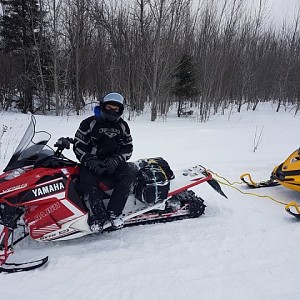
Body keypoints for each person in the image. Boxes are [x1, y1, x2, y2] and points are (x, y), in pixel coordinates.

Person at [73, 92, 137, 232]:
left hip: (114, 162)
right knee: (87, 181)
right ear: (103, 106)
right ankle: (98, 216)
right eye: (109, 107)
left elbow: (128, 147)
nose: (112, 111)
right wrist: (89, 160)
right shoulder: (89, 123)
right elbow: (79, 144)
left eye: (116, 109)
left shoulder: (123, 126)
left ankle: (115, 213)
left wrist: (116, 160)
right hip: (92, 161)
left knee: (129, 175)